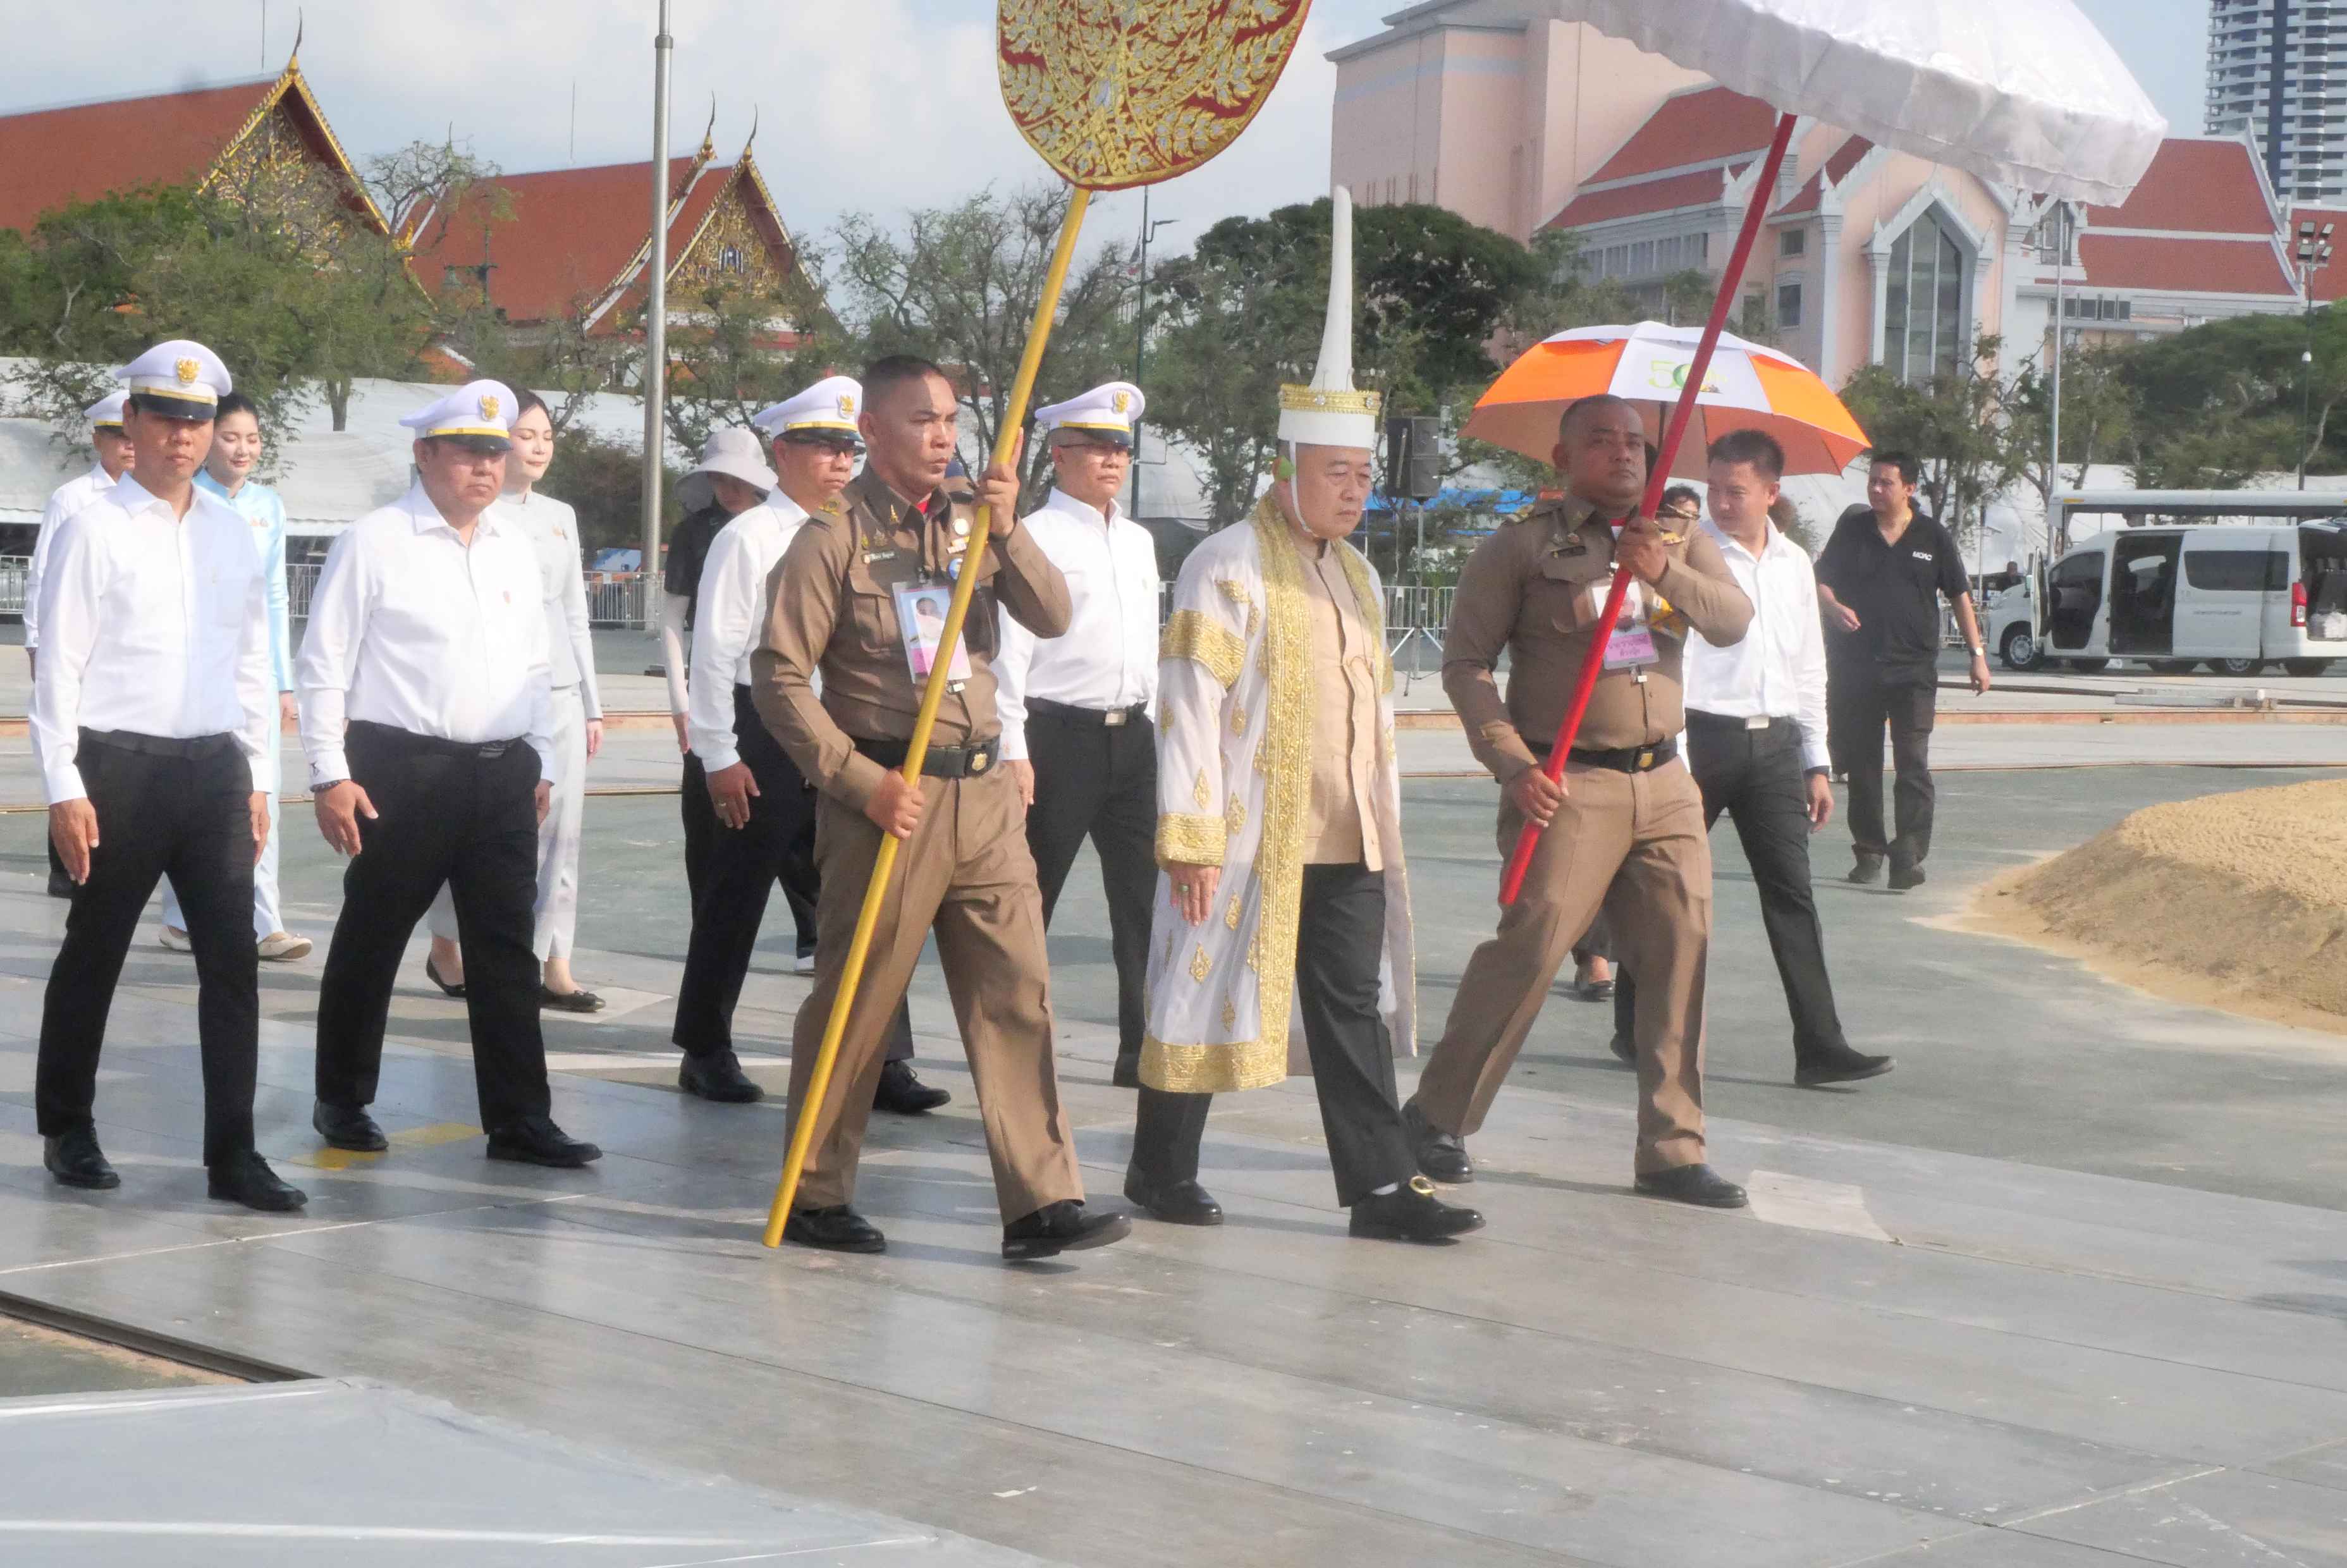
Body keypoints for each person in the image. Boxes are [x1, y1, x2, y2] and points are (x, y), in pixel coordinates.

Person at [1131, 188, 1482, 1242]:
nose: (1355, 492)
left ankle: (1380, 1187)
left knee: (1351, 1012)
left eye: (1364, 475)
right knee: (1196, 990)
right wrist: (1188, 834)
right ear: (1287, 472)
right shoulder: (1225, 567)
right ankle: (1159, 1168)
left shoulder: (1361, 580)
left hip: (1350, 835)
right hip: (1241, 834)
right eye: (1337, 473)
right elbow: (1188, 707)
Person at [752, 353, 1128, 1261]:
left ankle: (1041, 1200)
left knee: (1017, 994)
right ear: (871, 433)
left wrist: (1007, 529)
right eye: (921, 419)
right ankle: (816, 1190)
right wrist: (855, 780)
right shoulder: (831, 539)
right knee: (859, 1000)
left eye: (952, 419)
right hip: (893, 796)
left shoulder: (974, 519)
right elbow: (778, 675)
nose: (942, 435)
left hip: (988, 794)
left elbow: (1051, 614)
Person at [1403, 393, 1755, 1208]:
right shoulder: (1523, 547)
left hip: (1665, 780)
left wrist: (1659, 568)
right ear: (1561, 459)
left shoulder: (1676, 535)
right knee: (1531, 947)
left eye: (1635, 441)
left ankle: (1671, 1149)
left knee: (1678, 952)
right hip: (1568, 784)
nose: (1625, 454)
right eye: (1603, 441)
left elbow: (1733, 620)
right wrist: (1511, 763)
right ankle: (1436, 1113)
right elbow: (1465, 666)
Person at [30, 340, 302, 1210]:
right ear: (134, 423)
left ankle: (234, 1154)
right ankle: (68, 1126)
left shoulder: (231, 529)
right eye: (168, 418)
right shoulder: (92, 527)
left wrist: (258, 775)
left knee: (232, 962)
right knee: (95, 953)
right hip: (120, 768)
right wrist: (64, 788)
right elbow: (57, 673)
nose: (184, 437)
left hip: (214, 770)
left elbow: (251, 660)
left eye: (199, 420)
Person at [301, 380, 599, 1170]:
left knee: (506, 949)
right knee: (375, 932)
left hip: (501, 771)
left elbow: (537, 659)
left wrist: (537, 752)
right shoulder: (376, 540)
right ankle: (344, 1095)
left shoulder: (511, 544)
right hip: (403, 767)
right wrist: (329, 774)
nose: (486, 467)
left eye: (495, 451)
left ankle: (520, 1118)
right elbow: (323, 663)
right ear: (424, 452)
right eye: (468, 450)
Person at [671, 378, 938, 1113]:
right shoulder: (749, 535)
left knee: (865, 900)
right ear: (782, 451)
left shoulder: (870, 530)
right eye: (825, 445)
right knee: (736, 893)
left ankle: (882, 1057)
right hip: (764, 729)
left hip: (850, 730)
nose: (840, 460)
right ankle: (705, 1046)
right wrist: (718, 755)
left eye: (851, 446)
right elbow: (717, 652)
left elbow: (898, 637)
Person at [1609, 431, 1893, 1087]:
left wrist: (1815, 760)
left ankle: (1820, 1044)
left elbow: (1807, 664)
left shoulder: (1795, 563)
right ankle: (1631, 1026)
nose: (1722, 501)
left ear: (1771, 492)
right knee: (1664, 892)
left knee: (1792, 895)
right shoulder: (1686, 554)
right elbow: (1643, 641)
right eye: (1714, 487)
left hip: (1772, 746)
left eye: (1736, 490)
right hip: (1694, 742)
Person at [995, 380, 1161, 1092]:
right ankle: (1010, 1048)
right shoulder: (1033, 535)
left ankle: (1143, 1047)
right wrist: (1012, 747)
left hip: (1133, 736)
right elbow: (1009, 649)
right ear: (1058, 454)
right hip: (1055, 734)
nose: (1111, 459)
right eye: (1096, 446)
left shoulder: (1139, 539)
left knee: (1146, 904)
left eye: (1120, 447)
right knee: (1029, 905)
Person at [420, 391, 608, 1010]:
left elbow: (575, 613)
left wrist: (594, 701)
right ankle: (449, 946)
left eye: (546, 436)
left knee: (564, 836)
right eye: (524, 435)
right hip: (497, 697)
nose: (536, 447)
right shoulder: (474, 513)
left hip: (559, 693)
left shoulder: (560, 514)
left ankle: (555, 958)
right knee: (475, 834)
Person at [157, 392, 307, 963]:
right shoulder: (184, 500)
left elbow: (272, 595)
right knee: (186, 794)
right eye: (230, 437)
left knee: (257, 792)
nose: (242, 449)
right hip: (193, 671)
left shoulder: (270, 505)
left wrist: (283, 679)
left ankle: (264, 920)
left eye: (252, 438)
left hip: (252, 675)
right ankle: (179, 917)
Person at [1815, 451, 1990, 891]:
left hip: (1912, 670)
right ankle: (1869, 851)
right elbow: (1818, 580)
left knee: (1913, 762)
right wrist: (1833, 607)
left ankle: (1908, 854)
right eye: (1872, 481)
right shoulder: (1851, 531)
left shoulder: (1932, 536)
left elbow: (1959, 595)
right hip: (1856, 667)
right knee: (1864, 765)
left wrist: (1977, 653)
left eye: (1885, 482)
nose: (1875, 489)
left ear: (1908, 488)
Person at [661, 428, 782, 925]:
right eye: (719, 477)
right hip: (716, 683)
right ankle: (707, 919)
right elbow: (672, 621)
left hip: (780, 686)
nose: (729, 488)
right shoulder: (695, 533)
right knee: (710, 811)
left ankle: (812, 932)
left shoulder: (784, 525)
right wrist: (679, 701)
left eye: (739, 477)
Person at [27, 391, 133, 898]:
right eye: (119, 438)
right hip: (73, 642)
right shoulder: (74, 498)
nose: (129, 447)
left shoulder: (152, 498)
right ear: (99, 441)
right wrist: (35, 640)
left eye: (134, 436)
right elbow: (42, 574)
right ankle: (63, 862)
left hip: (118, 651)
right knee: (71, 752)